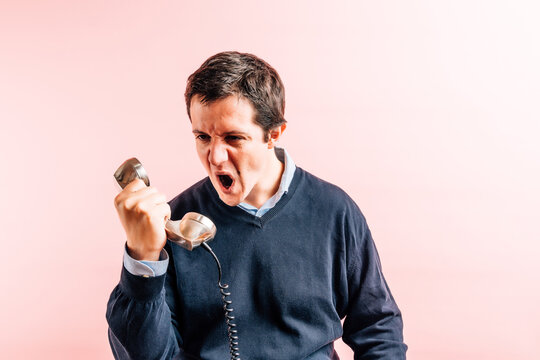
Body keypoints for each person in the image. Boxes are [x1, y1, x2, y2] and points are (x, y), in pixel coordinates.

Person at [106, 51, 407, 359]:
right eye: (202, 137)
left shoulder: (335, 212)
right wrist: (143, 259)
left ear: (273, 134)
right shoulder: (178, 223)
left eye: (233, 138)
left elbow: (378, 329)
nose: (215, 157)